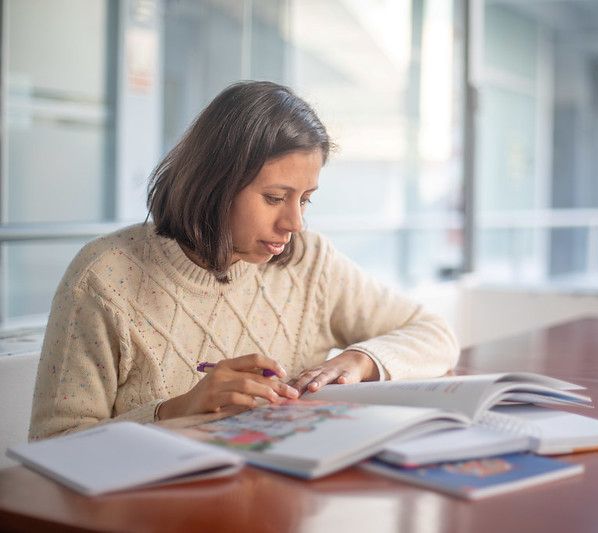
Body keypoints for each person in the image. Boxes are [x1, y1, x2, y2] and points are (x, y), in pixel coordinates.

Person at [29, 81, 459, 440]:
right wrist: (175, 410)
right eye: (274, 198)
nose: (295, 223)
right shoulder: (104, 277)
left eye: (305, 199)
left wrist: (361, 361)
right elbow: (51, 447)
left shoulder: (309, 262)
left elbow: (434, 333)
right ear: (214, 184)